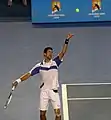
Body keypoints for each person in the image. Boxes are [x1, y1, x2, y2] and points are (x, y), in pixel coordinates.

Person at [12, 33, 74, 120]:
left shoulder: (56, 62)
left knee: (58, 114)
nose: (51, 54)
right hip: (44, 92)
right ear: (44, 54)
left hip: (54, 91)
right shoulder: (39, 66)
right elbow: (28, 74)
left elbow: (63, 52)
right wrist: (18, 81)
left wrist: (67, 40)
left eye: (51, 53)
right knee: (42, 114)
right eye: (49, 52)